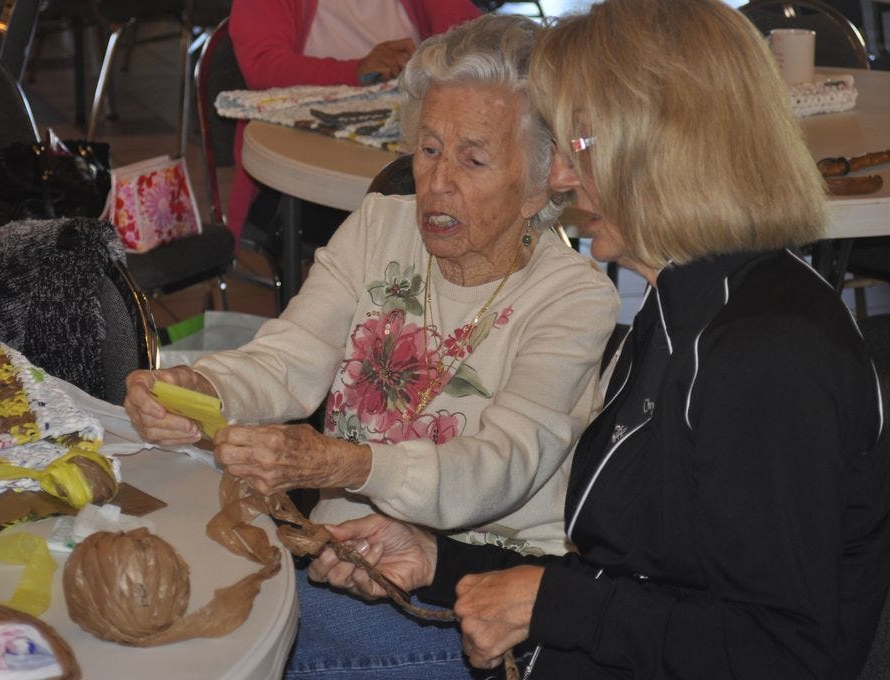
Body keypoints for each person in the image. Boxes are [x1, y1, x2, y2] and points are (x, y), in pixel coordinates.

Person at [309, 1, 890, 678]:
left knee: (288, 630)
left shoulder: (768, 356)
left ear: (663, 144)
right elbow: (641, 577)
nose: (559, 176)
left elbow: (786, 653)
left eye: (579, 145)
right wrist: (439, 560)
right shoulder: (683, 306)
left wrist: (553, 604)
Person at [125, 13, 618, 678]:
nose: (437, 182)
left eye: (473, 160)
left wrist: (345, 465)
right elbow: (290, 357)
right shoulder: (380, 227)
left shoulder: (573, 298)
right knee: (183, 603)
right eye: (429, 149)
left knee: (230, 643)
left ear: (545, 179)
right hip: (338, 560)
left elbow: (498, 466)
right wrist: (203, 389)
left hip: (465, 596)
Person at [226, 0, 481, 244]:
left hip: (407, 169)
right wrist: (355, 71)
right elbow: (263, 68)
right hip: (305, 184)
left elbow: (474, 37)